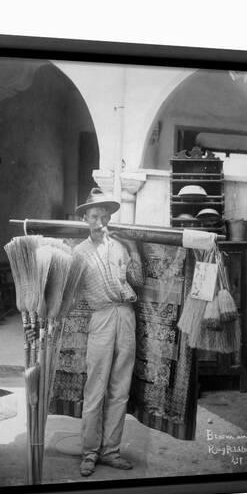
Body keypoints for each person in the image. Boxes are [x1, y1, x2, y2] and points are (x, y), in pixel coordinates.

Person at [73, 187, 144, 477]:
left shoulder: (120, 248)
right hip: (100, 318)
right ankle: (90, 453)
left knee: (120, 388)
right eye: (94, 217)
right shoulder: (78, 253)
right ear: (86, 218)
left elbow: (137, 280)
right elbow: (72, 294)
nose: (100, 222)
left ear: (110, 218)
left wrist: (135, 248)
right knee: (95, 389)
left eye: (104, 216)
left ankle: (111, 451)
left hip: (126, 316)